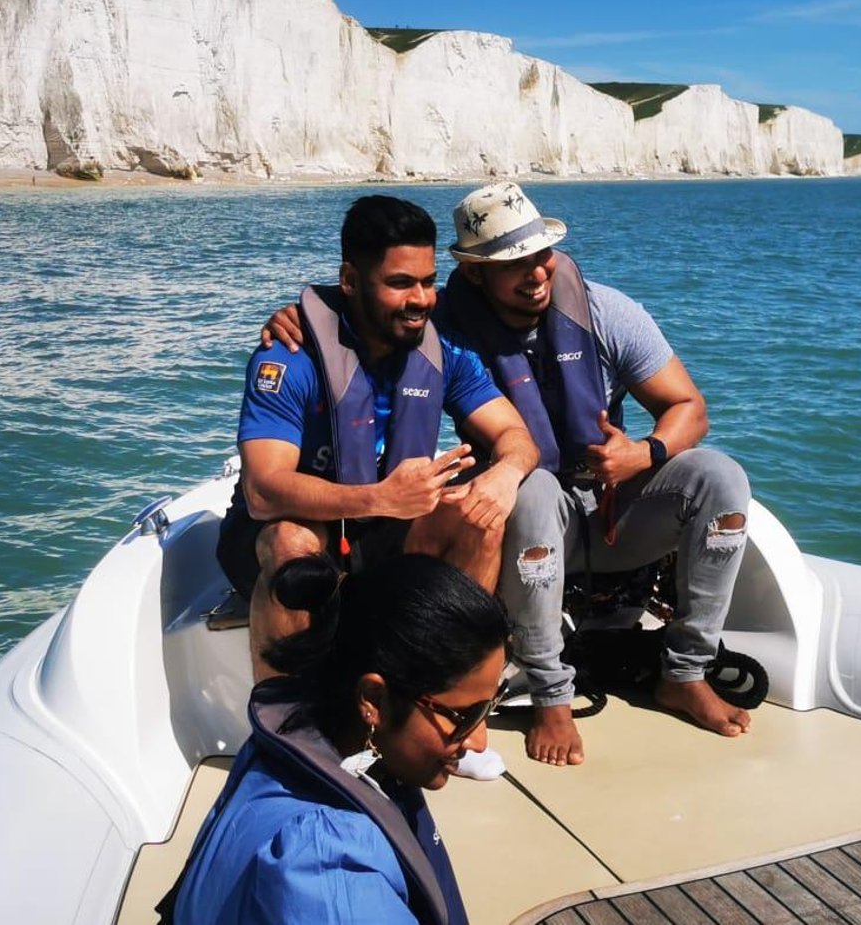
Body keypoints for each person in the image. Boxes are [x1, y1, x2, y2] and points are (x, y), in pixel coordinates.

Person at [265, 184, 754, 768]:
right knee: (534, 486)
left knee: (721, 478)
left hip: (614, 508)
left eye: (541, 255)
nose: (536, 273)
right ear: (474, 273)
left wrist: (644, 453)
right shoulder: (438, 322)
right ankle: (550, 694)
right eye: (513, 263)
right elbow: (364, 310)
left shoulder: (606, 313)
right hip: (529, 517)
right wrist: (300, 316)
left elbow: (690, 409)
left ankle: (686, 672)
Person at [221, 195, 537, 681]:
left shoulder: (444, 352)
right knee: (292, 543)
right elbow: (263, 490)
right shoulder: (289, 357)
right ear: (350, 280)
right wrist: (380, 498)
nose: (421, 299)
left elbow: (515, 434)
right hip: (292, 532)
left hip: (386, 530)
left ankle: (437, 693)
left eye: (428, 282)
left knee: (479, 519)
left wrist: (505, 475)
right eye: (400, 283)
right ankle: (288, 715)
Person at [173, 554, 509, 925]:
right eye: (464, 717)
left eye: (489, 707)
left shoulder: (299, 738)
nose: (479, 742)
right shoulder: (326, 868)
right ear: (374, 700)